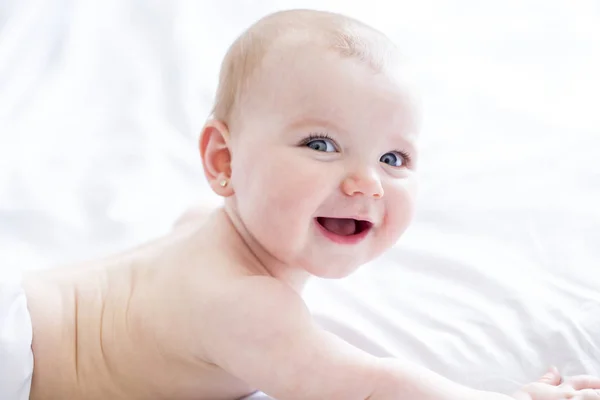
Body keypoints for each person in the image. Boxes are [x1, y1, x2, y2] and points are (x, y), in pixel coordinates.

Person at [8, 8, 600, 400]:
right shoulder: (244, 305)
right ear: (223, 161)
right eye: (321, 144)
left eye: (393, 160)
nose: (366, 183)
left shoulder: (201, 229)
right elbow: (372, 390)